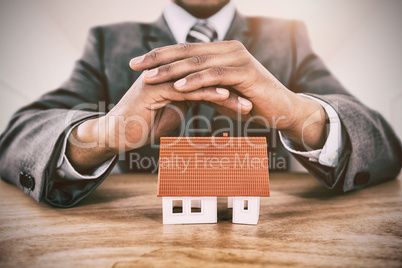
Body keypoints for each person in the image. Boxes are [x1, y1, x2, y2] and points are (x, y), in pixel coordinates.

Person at [0, 0, 400, 207]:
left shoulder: (288, 38)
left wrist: (297, 113)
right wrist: (102, 132)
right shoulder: (109, 41)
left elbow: (381, 143)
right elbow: (18, 135)